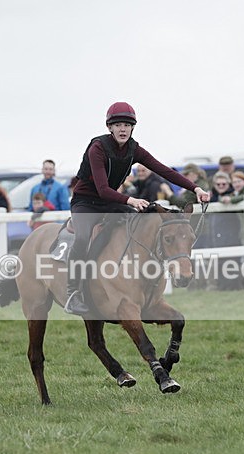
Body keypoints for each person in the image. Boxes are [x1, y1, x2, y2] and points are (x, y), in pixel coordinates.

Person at [65, 102, 210, 314]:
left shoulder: (135, 149)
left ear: (133, 127)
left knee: (140, 225)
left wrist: (195, 188)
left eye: (127, 125)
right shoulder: (97, 148)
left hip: (111, 202)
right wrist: (130, 201)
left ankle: (142, 282)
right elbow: (103, 189)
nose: (123, 129)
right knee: (81, 237)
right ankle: (73, 292)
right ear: (109, 128)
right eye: (118, 125)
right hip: (85, 203)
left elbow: (164, 171)